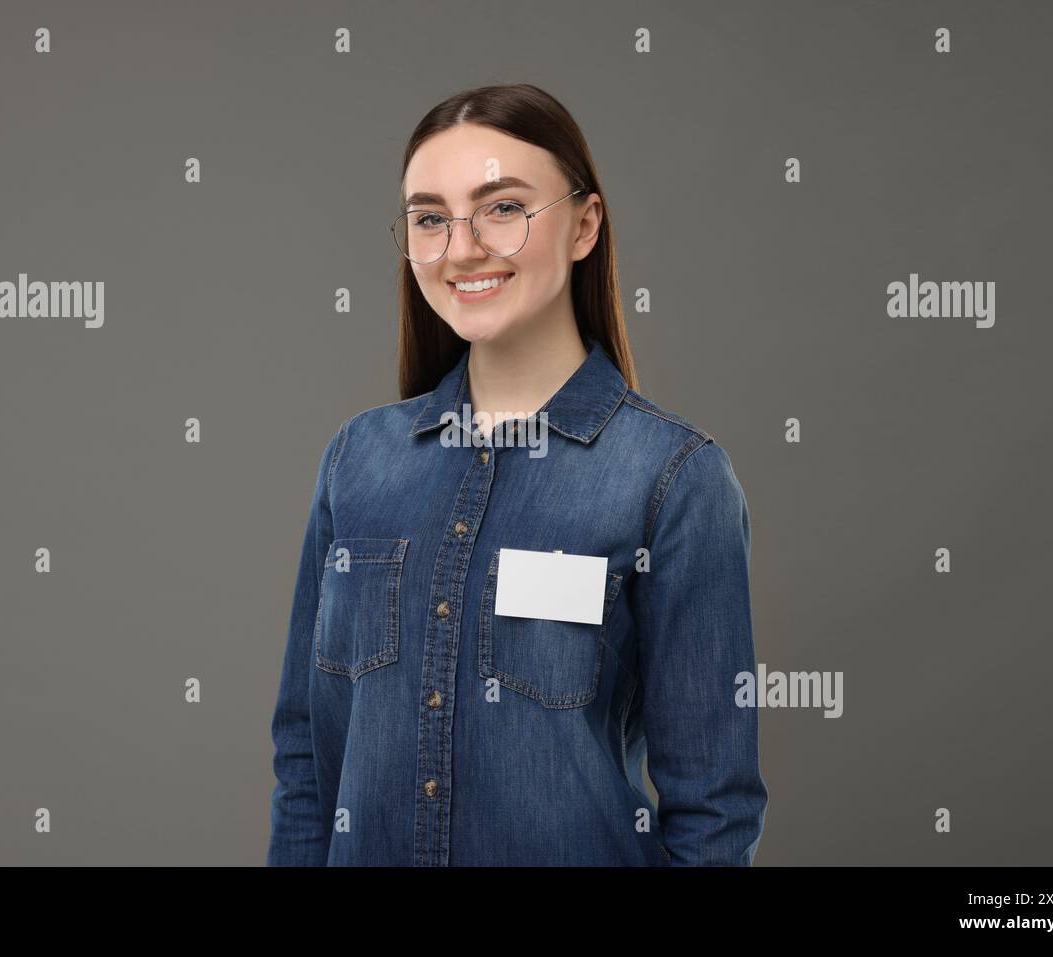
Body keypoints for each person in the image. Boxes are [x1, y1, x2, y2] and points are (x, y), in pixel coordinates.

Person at [267, 83, 767, 866]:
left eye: (502, 208)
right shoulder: (357, 462)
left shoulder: (674, 479)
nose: (461, 247)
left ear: (584, 225)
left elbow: (714, 811)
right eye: (431, 219)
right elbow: (307, 765)